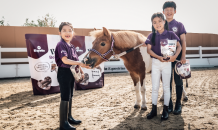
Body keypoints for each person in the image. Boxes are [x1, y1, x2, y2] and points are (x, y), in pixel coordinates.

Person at [145, 12, 181, 120]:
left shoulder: (171, 34)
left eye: (160, 21)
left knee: (166, 87)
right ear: (152, 24)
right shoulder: (151, 35)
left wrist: (174, 57)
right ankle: (154, 110)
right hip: (156, 63)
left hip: (167, 64)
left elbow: (179, 47)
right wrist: (159, 57)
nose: (157, 24)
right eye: (154, 22)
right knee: (155, 87)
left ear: (164, 22)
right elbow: (148, 50)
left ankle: (165, 110)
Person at [55, 22, 90, 130]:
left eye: (70, 30)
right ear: (60, 33)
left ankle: (69, 118)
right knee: (65, 97)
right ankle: (63, 123)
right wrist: (80, 64)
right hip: (64, 73)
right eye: (64, 30)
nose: (67, 33)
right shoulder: (61, 44)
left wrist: (81, 71)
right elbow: (65, 60)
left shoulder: (72, 46)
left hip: (71, 73)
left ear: (73, 33)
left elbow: (75, 61)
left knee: (70, 96)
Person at [163, 1, 187, 114]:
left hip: (177, 58)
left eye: (171, 9)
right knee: (167, 82)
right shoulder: (160, 24)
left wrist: (183, 56)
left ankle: (178, 103)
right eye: (166, 10)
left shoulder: (179, 25)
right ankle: (170, 103)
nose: (169, 11)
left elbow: (183, 41)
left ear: (175, 11)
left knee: (178, 81)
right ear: (163, 12)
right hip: (165, 59)